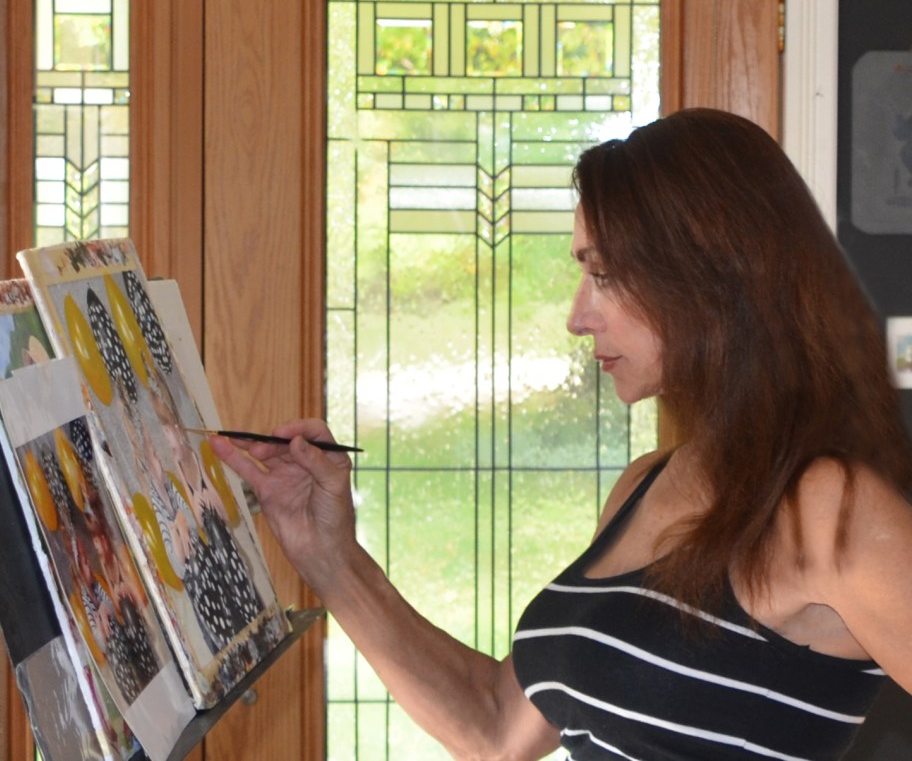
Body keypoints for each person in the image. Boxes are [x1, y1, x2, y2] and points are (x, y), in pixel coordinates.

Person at [210, 108, 912, 760]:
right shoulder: (644, 486)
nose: (578, 317)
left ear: (711, 276)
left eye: (604, 274)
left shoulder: (830, 508)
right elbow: (495, 725)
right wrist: (330, 555)